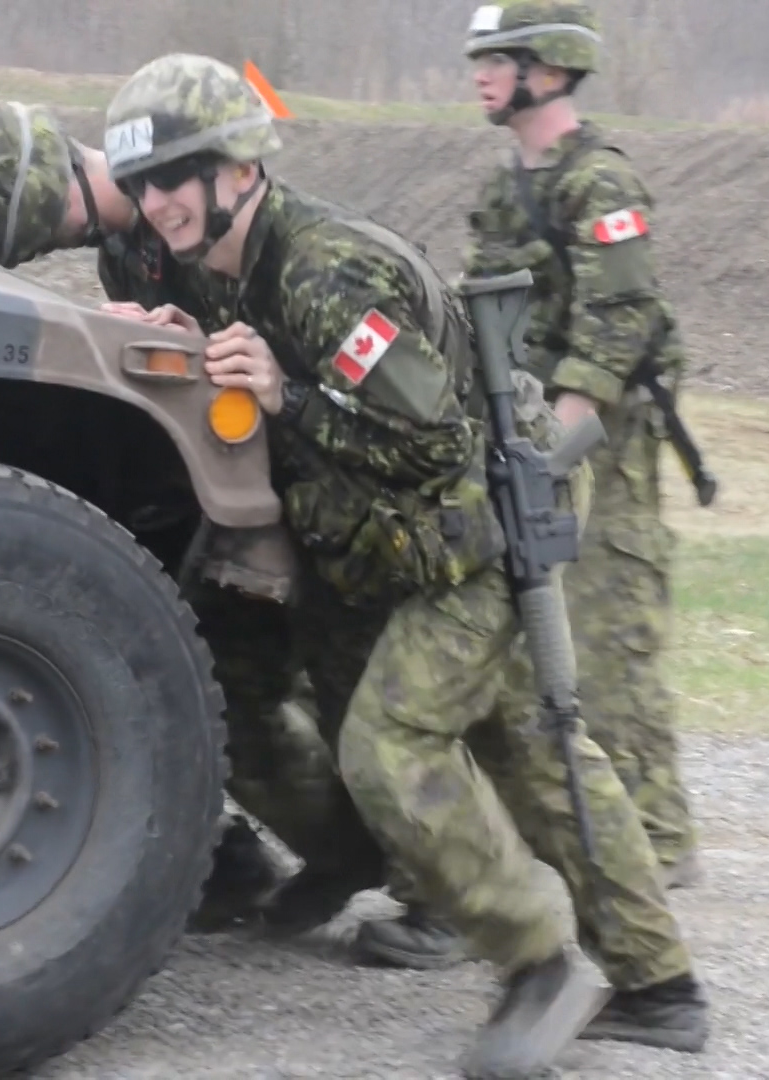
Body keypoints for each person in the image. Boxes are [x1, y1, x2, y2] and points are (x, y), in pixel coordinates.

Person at [101, 53, 710, 1073]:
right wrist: (188, 340)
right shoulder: (236, 269)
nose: (155, 202)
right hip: (401, 554)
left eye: (175, 175)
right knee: (534, 755)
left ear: (237, 169)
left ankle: (538, 966)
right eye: (142, 184)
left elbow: (426, 441)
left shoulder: (321, 270)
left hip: (459, 548)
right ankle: (660, 985)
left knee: (393, 746)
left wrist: (289, 395)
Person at [0, 100, 469, 963]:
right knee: (249, 690)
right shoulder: (127, 251)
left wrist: (256, 379)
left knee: (376, 707)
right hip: (272, 482)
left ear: (67, 173)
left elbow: (332, 359)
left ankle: (451, 896)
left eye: (55, 223)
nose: (71, 238)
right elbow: (222, 352)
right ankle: (346, 857)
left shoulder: (220, 202)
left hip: (369, 482)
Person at [460, 1, 705, 896]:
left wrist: (557, 443)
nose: (481, 73)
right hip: (532, 437)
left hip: (602, 437)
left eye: (500, 58)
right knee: (526, 645)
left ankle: (656, 840)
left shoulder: (599, 184)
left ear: (550, 70)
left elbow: (620, 320)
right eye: (480, 58)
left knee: (607, 639)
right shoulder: (503, 188)